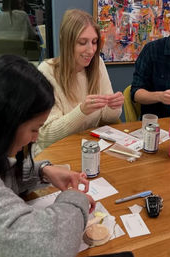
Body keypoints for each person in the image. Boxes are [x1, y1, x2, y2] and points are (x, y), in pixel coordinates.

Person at [0, 55, 95, 257]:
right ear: (4, 124)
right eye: (34, 129)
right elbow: (47, 247)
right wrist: (76, 200)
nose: (35, 139)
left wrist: (42, 171)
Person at [35, 9, 123, 154]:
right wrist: (81, 111)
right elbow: (45, 136)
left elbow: (107, 118)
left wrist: (114, 107)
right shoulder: (46, 72)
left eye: (94, 42)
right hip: (54, 153)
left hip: (87, 149)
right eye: (82, 42)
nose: (91, 50)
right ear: (67, 43)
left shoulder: (97, 63)